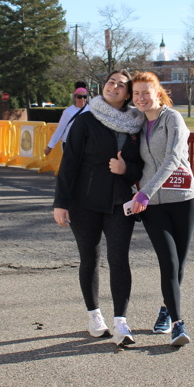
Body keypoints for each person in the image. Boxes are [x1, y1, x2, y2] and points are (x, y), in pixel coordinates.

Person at [53, 70, 144, 347]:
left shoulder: (136, 124)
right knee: (89, 259)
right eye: (110, 82)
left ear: (127, 94)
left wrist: (127, 169)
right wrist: (61, 203)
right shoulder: (86, 120)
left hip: (119, 202)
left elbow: (142, 165)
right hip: (85, 202)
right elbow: (69, 163)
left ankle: (121, 322)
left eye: (120, 85)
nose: (113, 87)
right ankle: (94, 316)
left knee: (119, 259)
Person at [129, 72, 194, 347]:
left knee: (178, 262)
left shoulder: (173, 119)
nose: (141, 98)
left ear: (157, 93)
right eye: (136, 94)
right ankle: (178, 325)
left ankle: (165, 309)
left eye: (146, 93)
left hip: (183, 200)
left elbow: (172, 158)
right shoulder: (135, 123)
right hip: (153, 207)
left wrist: (145, 192)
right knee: (168, 262)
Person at [45, 82, 90, 156]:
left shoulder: (91, 110)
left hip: (85, 144)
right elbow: (60, 130)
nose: (82, 99)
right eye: (79, 97)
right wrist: (50, 146)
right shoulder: (68, 112)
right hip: (69, 144)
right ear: (75, 97)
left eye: (84, 97)